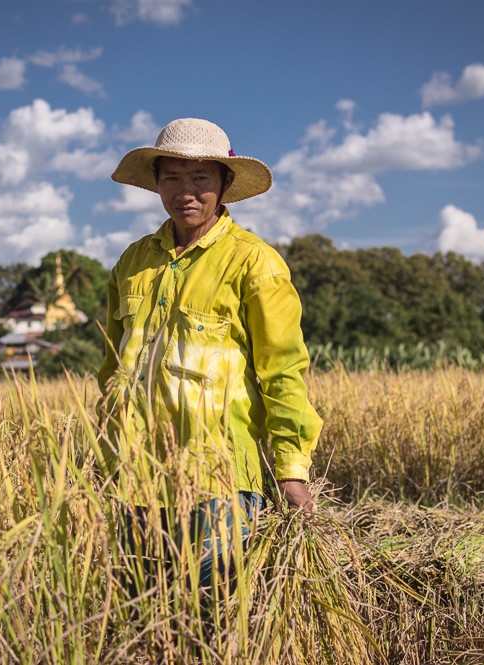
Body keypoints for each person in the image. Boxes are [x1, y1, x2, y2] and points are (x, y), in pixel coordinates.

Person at [96, 117, 323, 592]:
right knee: (144, 618)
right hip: (138, 476)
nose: (186, 191)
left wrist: (290, 471)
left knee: (214, 616)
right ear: (156, 183)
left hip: (219, 481)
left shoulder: (253, 262)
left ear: (224, 183)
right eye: (172, 177)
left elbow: (282, 371)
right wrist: (105, 453)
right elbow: (112, 369)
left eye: (200, 177)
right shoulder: (133, 262)